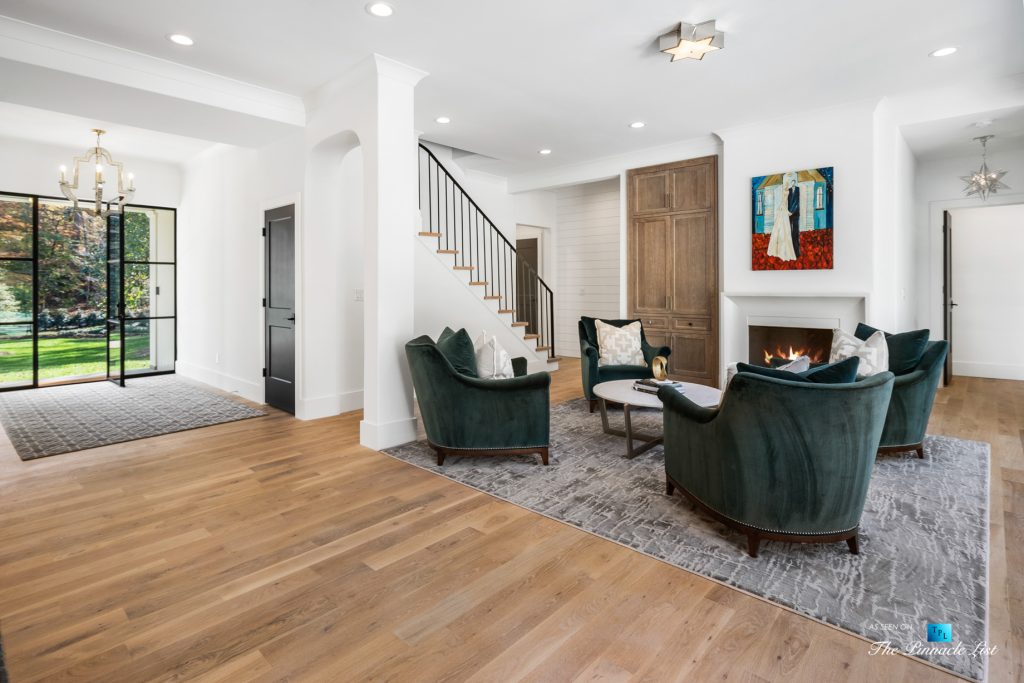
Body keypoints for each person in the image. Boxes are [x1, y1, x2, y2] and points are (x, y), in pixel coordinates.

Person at [766, 179, 796, 261]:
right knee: (780, 228)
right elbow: (783, 202)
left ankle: (782, 251)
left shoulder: (787, 191)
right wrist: (785, 210)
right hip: (783, 210)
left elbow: (785, 202)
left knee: (785, 229)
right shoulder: (784, 192)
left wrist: (786, 210)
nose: (786, 186)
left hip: (784, 209)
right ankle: (778, 250)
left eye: (787, 184)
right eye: (785, 184)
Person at [786, 174, 801, 258]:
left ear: (795, 182)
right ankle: (790, 251)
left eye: (793, 182)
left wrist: (791, 211)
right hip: (789, 214)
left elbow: (797, 202)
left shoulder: (798, 190)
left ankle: (797, 252)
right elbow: (788, 202)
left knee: (795, 232)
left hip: (795, 213)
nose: (792, 183)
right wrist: (788, 212)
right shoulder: (789, 190)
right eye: (791, 182)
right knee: (789, 232)